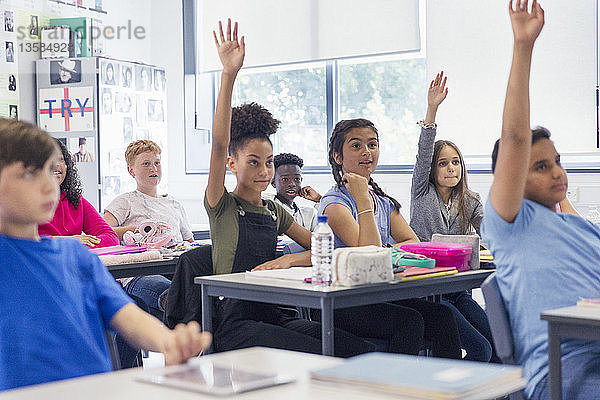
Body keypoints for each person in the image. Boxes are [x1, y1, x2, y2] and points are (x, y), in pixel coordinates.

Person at [0, 118, 211, 391]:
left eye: (50, 170)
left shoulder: (76, 256)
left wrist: (168, 342)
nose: (48, 184)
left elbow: (127, 316)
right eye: (29, 173)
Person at [205, 18, 374, 357]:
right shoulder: (221, 203)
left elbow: (322, 250)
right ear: (231, 164)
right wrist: (229, 75)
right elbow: (220, 141)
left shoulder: (273, 210)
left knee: (357, 348)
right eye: (253, 161)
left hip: (274, 312)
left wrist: (290, 261)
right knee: (324, 353)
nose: (264, 170)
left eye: (268, 162)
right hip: (236, 324)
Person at [482, 1, 600, 399]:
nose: (557, 172)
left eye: (558, 162)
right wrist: (523, 46)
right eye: (540, 166)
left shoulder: (582, 228)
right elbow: (515, 138)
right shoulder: (510, 223)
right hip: (565, 369)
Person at [316, 117, 462, 359]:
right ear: (337, 157)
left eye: (372, 145)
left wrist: (386, 248)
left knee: (442, 316)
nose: (367, 152)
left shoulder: (382, 201)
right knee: (411, 322)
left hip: (381, 295)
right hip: (345, 303)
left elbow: (413, 242)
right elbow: (370, 256)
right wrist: (362, 199)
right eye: (356, 146)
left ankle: (449, 392)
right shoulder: (335, 204)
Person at [410, 72, 498, 363]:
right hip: (429, 291)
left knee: (499, 347)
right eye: (443, 163)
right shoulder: (422, 192)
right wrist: (432, 110)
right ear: (432, 170)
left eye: (455, 162)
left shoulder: (469, 200)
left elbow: (492, 233)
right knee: (480, 349)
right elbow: (424, 152)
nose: (451, 168)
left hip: (459, 290)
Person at [103, 140, 193, 320]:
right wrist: (137, 229)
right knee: (172, 296)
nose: (154, 168)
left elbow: (189, 243)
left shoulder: (173, 203)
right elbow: (104, 231)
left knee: (197, 293)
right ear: (131, 171)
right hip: (139, 273)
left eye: (157, 163)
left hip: (173, 268)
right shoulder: (125, 201)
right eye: (146, 164)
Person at [39, 139, 117, 248]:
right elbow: (25, 243)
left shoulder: (75, 199)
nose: (56, 164)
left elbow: (111, 237)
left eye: (61, 159)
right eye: (49, 159)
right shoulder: (22, 203)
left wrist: (79, 248)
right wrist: (71, 242)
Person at [268, 152, 320, 231]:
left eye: (297, 179)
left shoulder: (310, 214)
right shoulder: (268, 208)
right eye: (285, 179)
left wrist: (318, 199)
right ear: (273, 182)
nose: (292, 184)